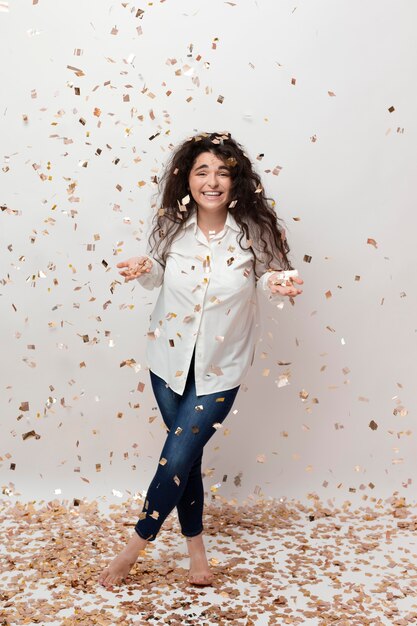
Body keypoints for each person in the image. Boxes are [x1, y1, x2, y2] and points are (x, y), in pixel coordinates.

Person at [98, 131, 303, 590]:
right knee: (186, 460)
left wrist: (280, 283)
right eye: (202, 171)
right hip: (166, 361)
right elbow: (158, 275)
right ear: (186, 178)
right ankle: (196, 549)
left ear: (237, 181)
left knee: (174, 461)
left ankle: (132, 549)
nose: (212, 181)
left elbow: (271, 275)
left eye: (223, 172)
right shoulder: (172, 226)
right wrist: (144, 269)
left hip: (220, 369)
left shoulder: (255, 232)